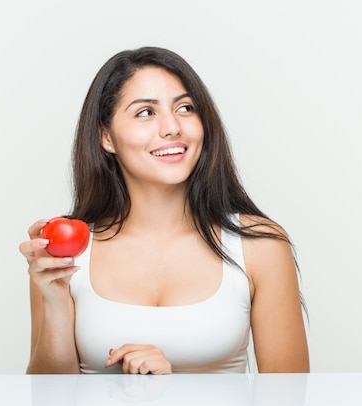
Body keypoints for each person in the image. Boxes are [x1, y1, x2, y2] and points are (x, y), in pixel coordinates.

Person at [18, 46, 309, 374]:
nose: (172, 127)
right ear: (106, 137)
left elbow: (290, 403)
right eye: (145, 112)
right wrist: (55, 299)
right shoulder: (64, 253)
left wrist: (172, 390)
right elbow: (47, 404)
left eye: (185, 107)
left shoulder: (261, 246)